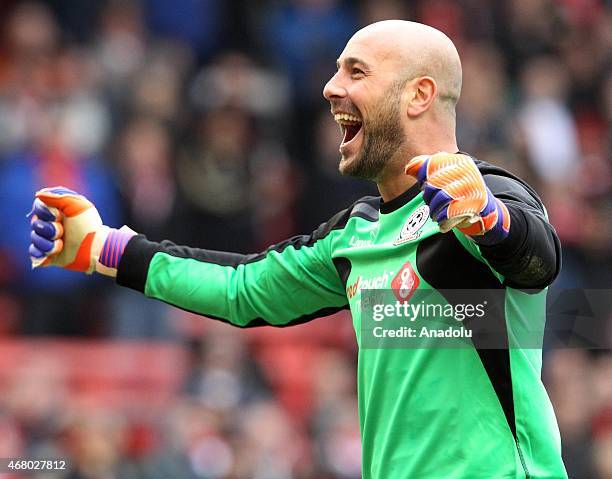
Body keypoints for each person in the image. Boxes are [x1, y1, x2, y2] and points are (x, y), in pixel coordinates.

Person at [28, 20, 567, 479]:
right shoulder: (357, 235)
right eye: (336, 71)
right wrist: (103, 247)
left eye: (356, 72)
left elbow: (536, 260)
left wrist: (491, 221)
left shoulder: (485, 198)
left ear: (419, 94)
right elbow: (243, 290)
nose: (332, 88)